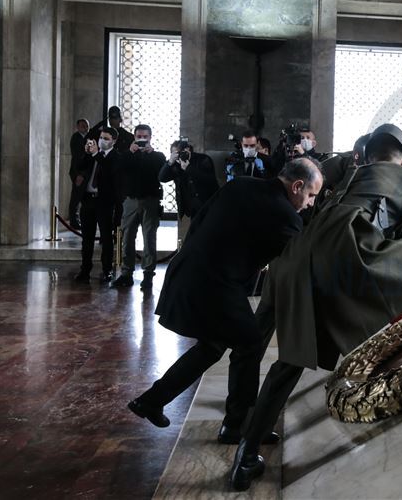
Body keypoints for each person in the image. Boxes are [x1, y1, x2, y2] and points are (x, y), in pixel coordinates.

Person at [228, 124, 402, 491]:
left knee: (291, 360)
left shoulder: (352, 175)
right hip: (346, 255)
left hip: (296, 260)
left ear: (368, 153)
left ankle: (246, 456)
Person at [128, 158, 322, 445]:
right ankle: (238, 426)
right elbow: (301, 262)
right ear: (296, 186)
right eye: (311, 195)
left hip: (188, 271)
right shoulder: (285, 215)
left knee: (213, 346)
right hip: (216, 285)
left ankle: (151, 401)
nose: (309, 204)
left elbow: (200, 222)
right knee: (249, 344)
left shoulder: (241, 185)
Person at [111, 125, 166, 291]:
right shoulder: (127, 155)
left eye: (145, 136)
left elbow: (162, 174)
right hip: (131, 201)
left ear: (150, 138)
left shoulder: (157, 156)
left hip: (150, 201)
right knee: (127, 237)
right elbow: (118, 168)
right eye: (139, 136)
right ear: (134, 137)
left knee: (149, 237)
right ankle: (126, 274)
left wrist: (150, 154)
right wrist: (130, 152)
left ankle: (148, 274)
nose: (142, 139)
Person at [73, 127, 121, 283]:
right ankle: (85, 270)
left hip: (104, 202)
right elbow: (79, 166)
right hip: (88, 200)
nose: (102, 141)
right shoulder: (93, 154)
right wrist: (87, 153)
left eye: (106, 138)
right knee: (87, 238)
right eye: (101, 137)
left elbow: (108, 170)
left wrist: (95, 154)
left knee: (106, 238)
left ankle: (107, 270)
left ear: (113, 141)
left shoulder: (115, 157)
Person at [159, 139, 218, 242]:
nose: (179, 156)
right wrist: (170, 162)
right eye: (176, 154)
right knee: (194, 238)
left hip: (206, 205)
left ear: (188, 150)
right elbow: (162, 178)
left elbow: (210, 180)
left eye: (181, 153)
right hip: (191, 208)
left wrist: (188, 168)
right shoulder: (175, 164)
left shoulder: (203, 159)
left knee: (206, 237)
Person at [67, 118, 90, 228]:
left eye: (86, 125)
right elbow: (77, 158)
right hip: (78, 173)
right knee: (76, 197)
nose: (85, 127)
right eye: (82, 125)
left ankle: (80, 220)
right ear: (78, 127)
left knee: (83, 197)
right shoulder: (76, 138)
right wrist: (79, 174)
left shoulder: (88, 138)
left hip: (85, 173)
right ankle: (74, 221)